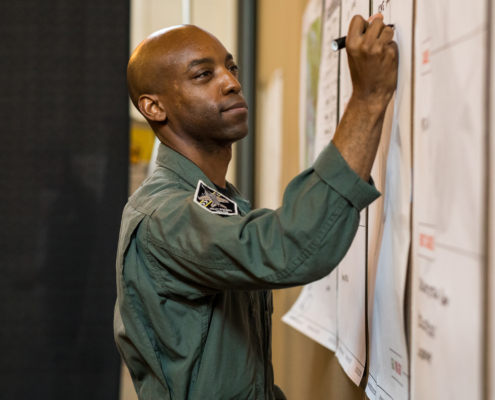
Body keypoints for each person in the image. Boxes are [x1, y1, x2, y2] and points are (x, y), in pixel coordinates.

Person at [114, 13, 398, 400]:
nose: (232, 82)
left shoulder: (216, 198)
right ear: (154, 107)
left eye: (231, 68)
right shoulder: (164, 214)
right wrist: (367, 99)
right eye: (203, 75)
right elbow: (288, 248)